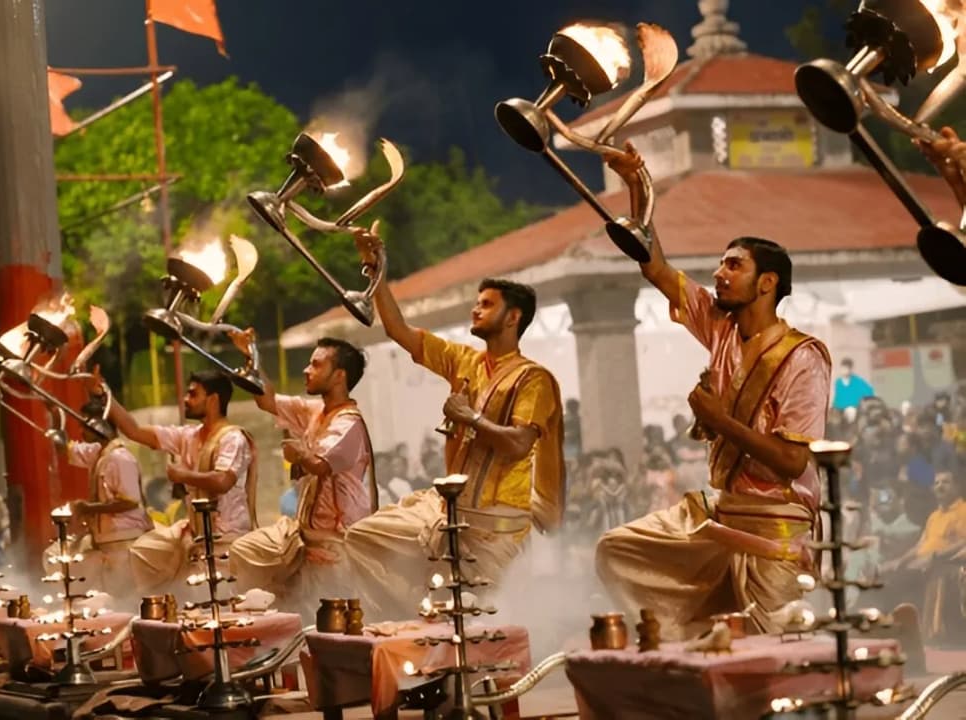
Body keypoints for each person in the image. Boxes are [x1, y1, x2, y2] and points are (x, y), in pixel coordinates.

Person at [595, 142, 831, 641]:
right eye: (720, 265)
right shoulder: (721, 327)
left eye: (732, 265)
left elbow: (791, 463)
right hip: (720, 508)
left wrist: (719, 419)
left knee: (777, 653)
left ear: (767, 282)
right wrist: (638, 185)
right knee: (617, 549)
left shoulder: (803, 357)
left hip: (774, 522)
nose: (719, 274)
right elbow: (654, 267)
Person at [343, 222, 565, 619]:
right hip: (446, 512)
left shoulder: (534, 378)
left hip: (496, 528)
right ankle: (414, 625)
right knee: (364, 537)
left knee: (485, 626)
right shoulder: (465, 361)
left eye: (486, 304)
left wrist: (471, 417)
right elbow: (397, 329)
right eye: (477, 303)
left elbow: (517, 444)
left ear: (513, 317)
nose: (474, 309)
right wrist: (376, 270)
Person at [227, 332, 376, 611]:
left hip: (335, 548)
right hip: (306, 540)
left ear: (339, 376)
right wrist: (252, 354)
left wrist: (300, 454)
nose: (307, 370)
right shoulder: (315, 411)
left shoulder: (349, 423)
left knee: (332, 627)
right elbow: (267, 401)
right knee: (245, 553)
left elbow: (321, 465)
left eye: (317, 364)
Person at [88, 368, 257, 593]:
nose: (186, 400)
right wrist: (105, 394)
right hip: (197, 537)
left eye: (193, 394)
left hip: (227, 540)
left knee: (219, 607)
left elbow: (223, 480)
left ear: (214, 400)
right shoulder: (188, 436)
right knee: (143, 553)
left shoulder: (233, 438)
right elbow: (135, 431)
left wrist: (182, 475)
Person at [42, 396, 153, 598]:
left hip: (125, 542)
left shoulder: (120, 457)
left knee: (124, 601)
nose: (81, 431)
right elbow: (64, 448)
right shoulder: (98, 452)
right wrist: (55, 414)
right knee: (56, 558)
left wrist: (87, 508)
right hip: (104, 543)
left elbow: (129, 501)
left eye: (85, 425)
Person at [879, 469, 966, 644]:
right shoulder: (933, 516)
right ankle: (891, 630)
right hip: (921, 562)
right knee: (884, 575)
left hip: (944, 562)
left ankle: (922, 634)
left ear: (956, 486)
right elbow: (920, 544)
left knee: (903, 580)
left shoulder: (963, 511)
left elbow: (963, 542)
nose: (940, 486)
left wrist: (935, 557)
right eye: (937, 483)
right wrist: (899, 562)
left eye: (945, 482)